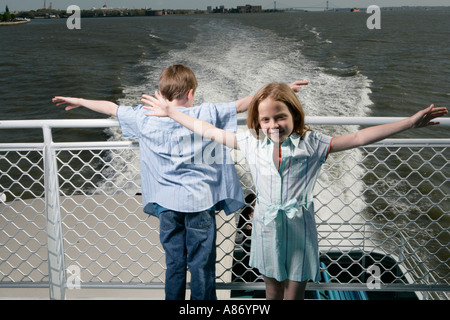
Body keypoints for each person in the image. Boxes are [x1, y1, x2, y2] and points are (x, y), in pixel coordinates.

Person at [141, 82, 448, 300]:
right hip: (265, 227)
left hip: (300, 230)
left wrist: (408, 123)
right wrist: (171, 112)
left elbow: (359, 137)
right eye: (265, 119)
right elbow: (206, 129)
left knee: (295, 291)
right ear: (257, 122)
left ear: (294, 115)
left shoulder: (312, 144)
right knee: (272, 290)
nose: (273, 124)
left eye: (280, 116)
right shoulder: (251, 143)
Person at [53, 65, 308, 300]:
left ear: (162, 94)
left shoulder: (144, 117)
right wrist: (284, 90)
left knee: (174, 263)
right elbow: (243, 104)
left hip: (167, 206)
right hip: (200, 204)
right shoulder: (206, 113)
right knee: (201, 265)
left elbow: (111, 108)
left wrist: (79, 100)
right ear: (190, 92)